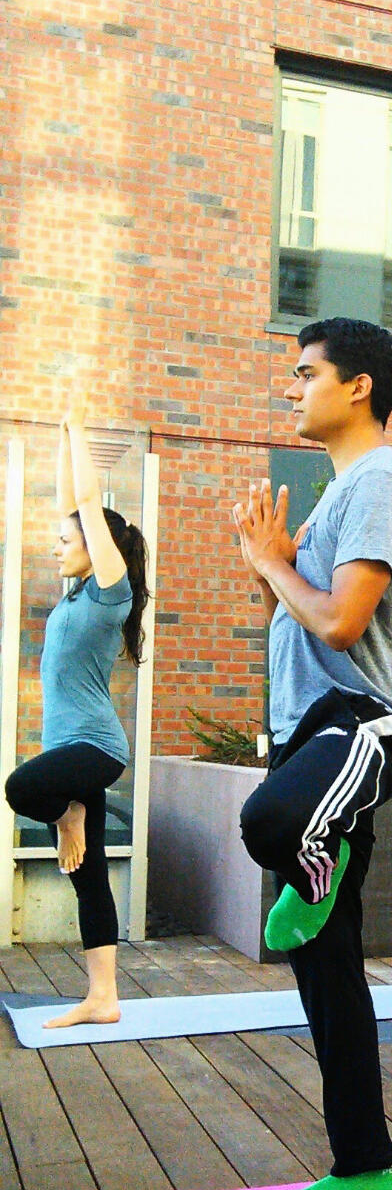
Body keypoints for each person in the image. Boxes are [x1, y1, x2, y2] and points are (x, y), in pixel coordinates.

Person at [234, 318, 392, 1190]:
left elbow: (342, 623)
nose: (291, 387)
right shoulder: (339, 492)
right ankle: (363, 1166)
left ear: (359, 387)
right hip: (310, 734)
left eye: (306, 373)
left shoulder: (381, 480)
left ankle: (321, 858)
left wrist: (275, 565)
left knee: (272, 823)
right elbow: (293, 608)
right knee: (327, 965)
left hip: (364, 723)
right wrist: (271, 565)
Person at [5, 396, 149, 1028]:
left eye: (67, 541)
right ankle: (103, 998)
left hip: (96, 748)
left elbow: (87, 504)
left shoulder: (110, 592)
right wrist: (61, 437)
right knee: (88, 878)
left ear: (99, 548)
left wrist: (79, 428)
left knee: (20, 788)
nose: (57, 546)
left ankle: (70, 811)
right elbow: (73, 502)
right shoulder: (77, 592)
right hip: (72, 750)